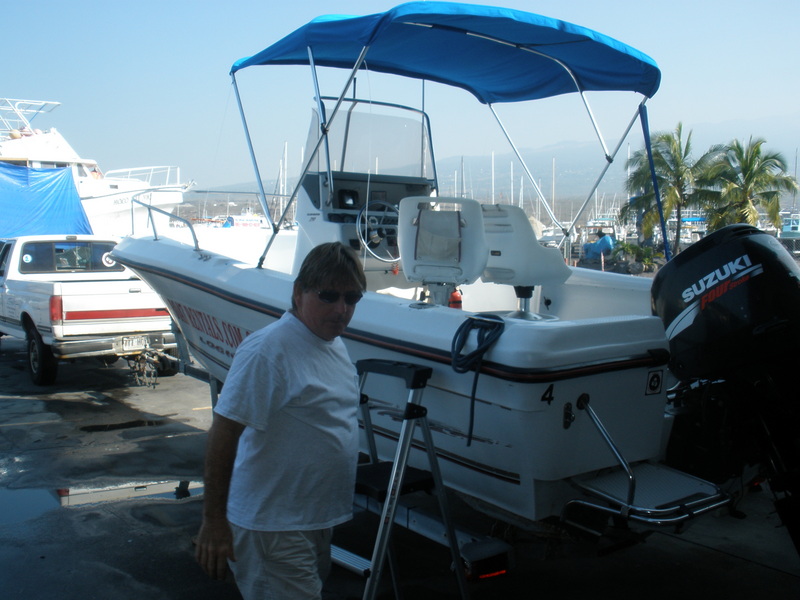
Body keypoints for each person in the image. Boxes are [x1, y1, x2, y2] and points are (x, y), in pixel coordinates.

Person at [195, 241, 367, 599]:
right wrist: (213, 522)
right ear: (298, 293)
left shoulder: (332, 343)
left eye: (352, 299)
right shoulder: (268, 350)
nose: (341, 310)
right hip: (272, 527)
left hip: (313, 521)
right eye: (329, 295)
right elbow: (225, 430)